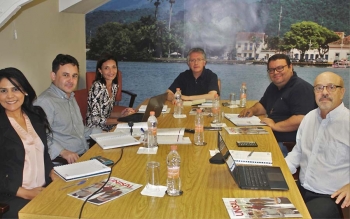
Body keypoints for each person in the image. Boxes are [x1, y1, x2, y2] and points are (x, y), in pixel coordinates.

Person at [285, 71, 349, 219]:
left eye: (331, 87)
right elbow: (298, 152)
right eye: (319, 88)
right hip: (301, 188)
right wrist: (279, 171)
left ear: (342, 92)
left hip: (331, 197)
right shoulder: (309, 118)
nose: (324, 92)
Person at [0, 68, 58, 219]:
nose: (10, 96)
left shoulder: (36, 115)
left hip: (42, 188)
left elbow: (43, 153)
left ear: (24, 91)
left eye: (15, 89)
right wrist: (26, 193)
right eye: (3, 91)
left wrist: (52, 171)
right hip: (11, 196)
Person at [239, 54, 316, 157]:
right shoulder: (274, 86)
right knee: (240, 142)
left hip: (289, 145)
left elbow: (301, 119)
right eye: (271, 70)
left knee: (247, 154)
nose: (275, 73)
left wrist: (275, 126)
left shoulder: (300, 88)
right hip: (271, 135)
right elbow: (263, 105)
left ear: (290, 67)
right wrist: (252, 110)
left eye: (279, 68)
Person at [35, 54, 102, 164]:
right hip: (64, 162)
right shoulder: (45, 102)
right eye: (66, 75)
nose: (71, 80)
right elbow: (38, 136)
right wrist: (62, 152)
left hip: (84, 154)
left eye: (74, 76)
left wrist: (104, 133)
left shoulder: (70, 97)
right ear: (53, 75)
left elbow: (79, 131)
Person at [86, 54, 135, 131]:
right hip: (95, 129)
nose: (111, 71)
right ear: (100, 70)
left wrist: (122, 115)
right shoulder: (97, 87)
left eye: (114, 67)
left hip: (107, 126)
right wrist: (119, 121)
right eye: (106, 68)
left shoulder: (114, 86)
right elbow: (95, 119)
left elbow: (106, 113)